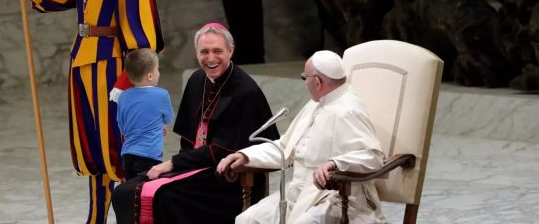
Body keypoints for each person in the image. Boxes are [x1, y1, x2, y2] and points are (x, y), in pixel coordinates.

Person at [2, 0, 164, 223]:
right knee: (94, 153)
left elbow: (143, 39)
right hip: (83, 67)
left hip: (115, 71)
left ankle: (133, 217)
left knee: (123, 154)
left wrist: (124, 84)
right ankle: (96, 219)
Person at [111, 23, 280, 224]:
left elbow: (221, 150)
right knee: (123, 191)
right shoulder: (197, 79)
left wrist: (173, 164)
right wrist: (176, 166)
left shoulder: (245, 91)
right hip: (194, 168)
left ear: (231, 50)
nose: (210, 58)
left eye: (218, 51)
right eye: (204, 52)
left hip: (226, 180)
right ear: (196, 53)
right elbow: (187, 139)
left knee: (159, 196)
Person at [217, 50, 386, 224]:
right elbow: (285, 148)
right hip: (296, 195)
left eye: (305, 78)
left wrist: (335, 163)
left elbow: (373, 157)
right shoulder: (316, 104)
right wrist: (245, 155)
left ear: (318, 82)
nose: (305, 83)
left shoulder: (348, 110)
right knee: (247, 219)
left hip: (334, 198)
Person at [117, 48, 173, 179]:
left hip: (127, 155)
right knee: (147, 194)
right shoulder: (162, 94)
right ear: (150, 76)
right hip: (150, 156)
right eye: (157, 69)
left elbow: (122, 127)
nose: (159, 73)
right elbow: (168, 118)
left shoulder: (123, 96)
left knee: (131, 193)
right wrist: (159, 125)